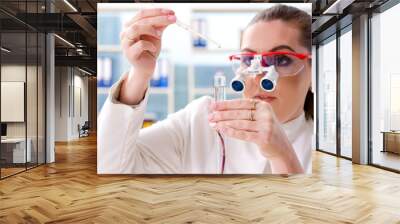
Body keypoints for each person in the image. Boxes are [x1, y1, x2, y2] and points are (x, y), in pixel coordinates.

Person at [98, 5, 313, 174]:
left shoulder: (330, 145)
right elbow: (113, 168)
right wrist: (139, 74)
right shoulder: (202, 120)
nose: (259, 75)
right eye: (248, 60)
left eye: (281, 59)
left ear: (315, 70)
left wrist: (283, 155)